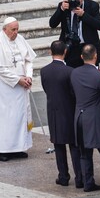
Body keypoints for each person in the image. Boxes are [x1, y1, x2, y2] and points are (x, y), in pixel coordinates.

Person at [0, 17, 36, 162]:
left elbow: (28, 60)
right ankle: (4, 150)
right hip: (3, 88)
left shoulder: (20, 39)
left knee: (19, 116)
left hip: (21, 86)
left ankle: (18, 148)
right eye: (13, 29)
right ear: (4, 29)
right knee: (5, 118)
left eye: (17, 29)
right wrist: (18, 79)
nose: (16, 32)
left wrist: (28, 76)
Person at [70, 44, 100, 194]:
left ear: (81, 57)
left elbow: (73, 93)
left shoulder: (74, 73)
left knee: (84, 153)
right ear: (96, 56)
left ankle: (88, 182)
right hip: (95, 118)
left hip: (79, 116)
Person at [40, 40, 82, 188]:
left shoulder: (44, 71)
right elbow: (73, 93)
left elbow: (47, 89)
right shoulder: (70, 71)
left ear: (50, 52)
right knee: (74, 146)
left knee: (58, 146)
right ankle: (79, 177)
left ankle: (63, 176)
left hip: (54, 112)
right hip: (69, 111)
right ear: (65, 52)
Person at [49, 0, 100, 68]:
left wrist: (84, 15)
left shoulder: (92, 5)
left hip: (87, 46)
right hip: (71, 47)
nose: (77, 1)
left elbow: (99, 25)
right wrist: (61, 9)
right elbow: (52, 24)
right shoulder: (63, 6)